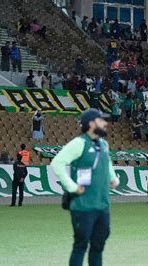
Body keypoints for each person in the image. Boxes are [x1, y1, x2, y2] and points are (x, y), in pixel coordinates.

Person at [50, 108, 120, 266]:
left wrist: (113, 178)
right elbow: (57, 163)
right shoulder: (79, 143)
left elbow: (107, 163)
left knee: (98, 247)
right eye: (101, 120)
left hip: (102, 205)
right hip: (83, 206)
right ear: (90, 124)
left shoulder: (103, 144)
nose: (105, 123)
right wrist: (72, 187)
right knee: (80, 246)